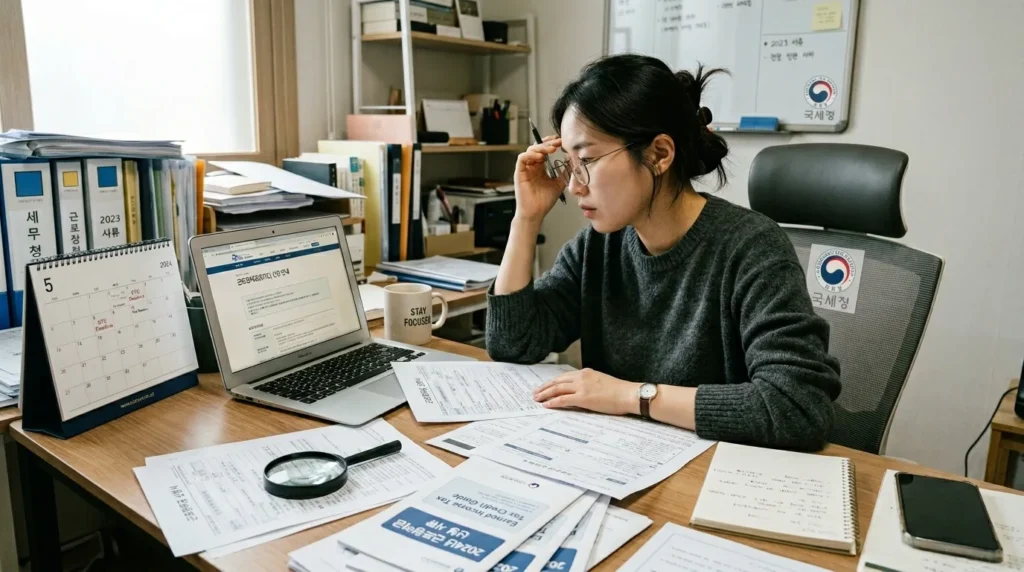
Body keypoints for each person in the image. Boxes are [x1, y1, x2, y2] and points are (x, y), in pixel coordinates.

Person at [486, 54, 841, 451]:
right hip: (624, 459)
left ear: (659, 154)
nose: (574, 186)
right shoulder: (598, 246)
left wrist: (632, 396)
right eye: (568, 164)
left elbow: (797, 407)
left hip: (718, 473)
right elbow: (511, 343)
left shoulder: (751, 247)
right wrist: (526, 219)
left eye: (585, 161)